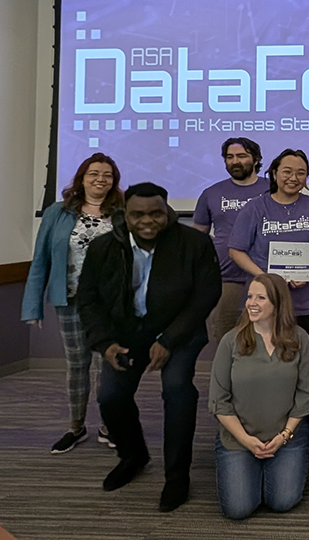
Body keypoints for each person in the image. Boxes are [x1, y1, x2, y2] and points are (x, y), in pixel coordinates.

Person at [77, 182, 221, 512]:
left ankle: (176, 477)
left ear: (167, 211)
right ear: (125, 215)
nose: (148, 220)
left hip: (178, 333)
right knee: (111, 397)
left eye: (156, 213)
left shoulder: (194, 243)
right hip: (125, 336)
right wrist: (105, 343)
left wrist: (169, 340)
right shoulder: (103, 247)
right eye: (138, 214)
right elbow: (88, 300)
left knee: (177, 391)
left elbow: (206, 295)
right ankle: (133, 456)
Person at [22, 153, 124, 454]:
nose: (100, 179)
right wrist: (32, 306)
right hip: (70, 301)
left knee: (110, 364)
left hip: (111, 304)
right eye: (93, 174)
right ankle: (76, 427)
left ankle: (109, 425)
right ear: (81, 178)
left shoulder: (121, 212)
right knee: (77, 364)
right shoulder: (58, 212)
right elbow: (40, 259)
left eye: (107, 175)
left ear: (114, 181)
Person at [208, 273, 309, 520]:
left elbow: (305, 395)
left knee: (282, 501)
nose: (251, 303)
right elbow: (219, 401)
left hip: (286, 436)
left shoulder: (299, 339)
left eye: (260, 298)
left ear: (278, 304)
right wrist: (246, 440)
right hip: (239, 438)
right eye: (250, 296)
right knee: (238, 509)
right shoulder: (231, 341)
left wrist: (284, 436)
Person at [229, 149, 309, 337]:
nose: (293, 178)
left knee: (298, 352)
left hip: (305, 301)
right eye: (287, 171)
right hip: (264, 297)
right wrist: (267, 277)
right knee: (260, 355)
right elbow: (236, 250)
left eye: (300, 173)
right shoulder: (255, 207)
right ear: (275, 173)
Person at [192, 137, 270, 342]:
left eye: (242, 156)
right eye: (230, 157)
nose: (235, 161)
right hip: (226, 278)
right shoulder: (211, 193)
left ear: (256, 159)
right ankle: (228, 375)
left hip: (267, 275)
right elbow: (198, 237)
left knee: (266, 337)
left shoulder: (273, 190)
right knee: (226, 337)